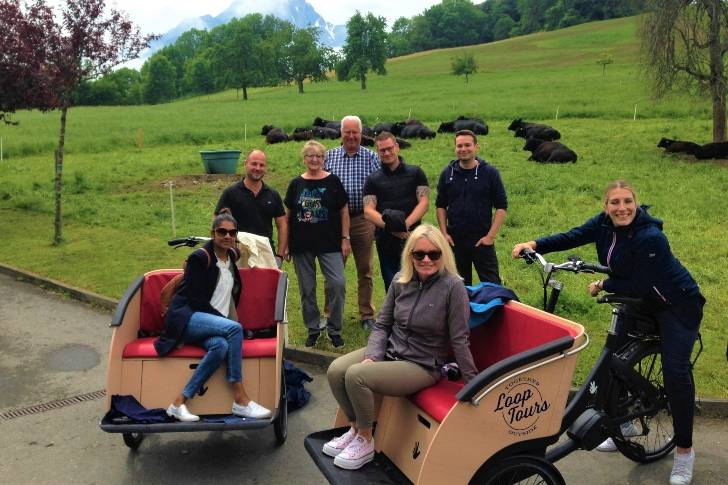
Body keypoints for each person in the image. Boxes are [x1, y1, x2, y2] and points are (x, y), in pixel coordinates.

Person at [512, 180, 705, 485]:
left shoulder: (651, 237)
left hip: (677, 305)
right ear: (606, 207)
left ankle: (684, 451)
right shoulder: (603, 224)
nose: (622, 208)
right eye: (614, 202)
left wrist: (603, 284)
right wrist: (535, 244)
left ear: (636, 203)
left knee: (675, 372)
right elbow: (573, 235)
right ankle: (623, 426)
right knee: (615, 361)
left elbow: (640, 282)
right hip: (640, 301)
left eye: (627, 201)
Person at [324, 224, 478, 470]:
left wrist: (473, 385)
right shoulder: (400, 279)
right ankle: (355, 428)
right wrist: (373, 356)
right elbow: (383, 324)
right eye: (419, 254)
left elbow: (460, 339)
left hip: (422, 364)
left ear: (443, 255)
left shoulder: (453, 287)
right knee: (336, 370)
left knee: (356, 376)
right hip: (390, 352)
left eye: (434, 254)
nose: (426, 259)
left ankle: (365, 440)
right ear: (410, 255)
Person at [155, 209, 272, 422]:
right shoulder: (200, 258)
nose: (227, 236)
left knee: (221, 346)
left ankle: (179, 402)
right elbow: (195, 301)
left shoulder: (231, 256)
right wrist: (224, 322)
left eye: (232, 232)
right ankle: (241, 398)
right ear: (213, 233)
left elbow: (245, 247)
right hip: (186, 318)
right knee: (234, 328)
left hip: (209, 325)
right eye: (221, 232)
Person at [284, 140, 350, 348]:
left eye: (319, 156)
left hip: (330, 243)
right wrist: (284, 245)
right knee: (307, 289)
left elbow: (344, 211)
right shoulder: (296, 184)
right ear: (304, 159)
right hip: (301, 244)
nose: (314, 160)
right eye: (310, 156)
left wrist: (345, 238)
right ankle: (313, 328)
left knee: (337, 284)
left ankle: (334, 329)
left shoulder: (333, 182)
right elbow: (287, 216)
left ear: (324, 159)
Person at [325, 115, 380, 330]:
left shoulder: (371, 158)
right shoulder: (329, 157)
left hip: (362, 219)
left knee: (365, 268)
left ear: (360, 133)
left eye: (354, 132)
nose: (351, 136)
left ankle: (366, 314)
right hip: (334, 222)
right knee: (333, 269)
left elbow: (380, 188)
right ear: (341, 133)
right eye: (347, 132)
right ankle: (329, 313)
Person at [436, 129, 508, 286]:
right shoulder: (447, 173)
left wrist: (490, 237)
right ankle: (462, 311)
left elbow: (501, 206)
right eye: (459, 146)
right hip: (455, 241)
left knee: (492, 286)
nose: (463, 149)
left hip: (482, 240)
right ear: (455, 148)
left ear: (476, 147)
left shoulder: (490, 173)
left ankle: (495, 310)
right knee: (458, 286)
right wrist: (444, 233)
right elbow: (440, 205)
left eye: (467, 145)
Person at [363, 131, 429, 291]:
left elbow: (424, 203)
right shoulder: (373, 179)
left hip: (414, 237)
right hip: (386, 239)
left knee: (418, 281)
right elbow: (368, 211)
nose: (386, 153)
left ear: (397, 147)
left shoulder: (415, 173)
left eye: (389, 148)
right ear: (377, 152)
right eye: (382, 150)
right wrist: (392, 228)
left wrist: (405, 225)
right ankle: (395, 316)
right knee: (392, 283)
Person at [215, 149, 288, 259]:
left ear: (266, 168)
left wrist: (280, 255)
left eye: (261, 165)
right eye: (254, 164)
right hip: (237, 254)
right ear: (245, 164)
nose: (257, 168)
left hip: (265, 254)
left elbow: (282, 225)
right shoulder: (230, 193)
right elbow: (217, 223)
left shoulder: (273, 194)